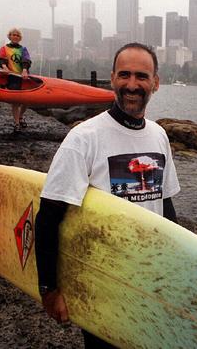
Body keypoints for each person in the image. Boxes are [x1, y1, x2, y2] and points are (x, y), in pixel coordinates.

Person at [34, 42, 180, 348]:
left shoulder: (159, 135)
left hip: (149, 281)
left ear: (155, 82)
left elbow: (165, 207)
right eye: (124, 75)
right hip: (101, 282)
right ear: (112, 78)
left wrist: (175, 269)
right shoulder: (84, 138)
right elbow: (48, 217)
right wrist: (49, 288)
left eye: (141, 76)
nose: (132, 84)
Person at [0, 28, 31, 132]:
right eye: (13, 35)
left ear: (20, 38)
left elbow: (26, 60)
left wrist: (25, 70)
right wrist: (4, 67)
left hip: (23, 77)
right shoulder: (4, 48)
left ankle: (20, 117)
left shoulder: (23, 49)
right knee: (15, 102)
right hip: (11, 77)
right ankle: (16, 123)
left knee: (27, 100)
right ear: (10, 36)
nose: (15, 37)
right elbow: (1, 59)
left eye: (17, 35)